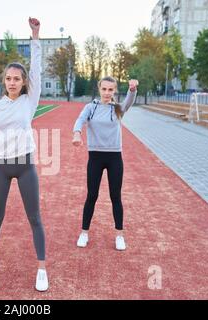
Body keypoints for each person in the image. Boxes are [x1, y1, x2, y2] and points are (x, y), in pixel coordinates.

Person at [0, 17, 48, 292]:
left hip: (25, 166)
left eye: (17, 78)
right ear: (4, 81)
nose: (12, 82)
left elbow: (37, 70)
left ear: (23, 81)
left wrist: (35, 37)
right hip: (2, 168)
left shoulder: (30, 101)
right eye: (8, 78)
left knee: (34, 218)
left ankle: (41, 269)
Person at [72, 77, 139, 251]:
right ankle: (84, 233)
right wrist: (77, 133)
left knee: (115, 196)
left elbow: (128, 103)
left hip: (114, 157)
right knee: (92, 196)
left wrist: (132, 90)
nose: (107, 93)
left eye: (111, 90)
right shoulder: (90, 107)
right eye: (104, 89)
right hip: (95, 157)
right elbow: (80, 120)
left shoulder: (117, 109)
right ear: (99, 89)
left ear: (114, 91)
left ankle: (119, 235)